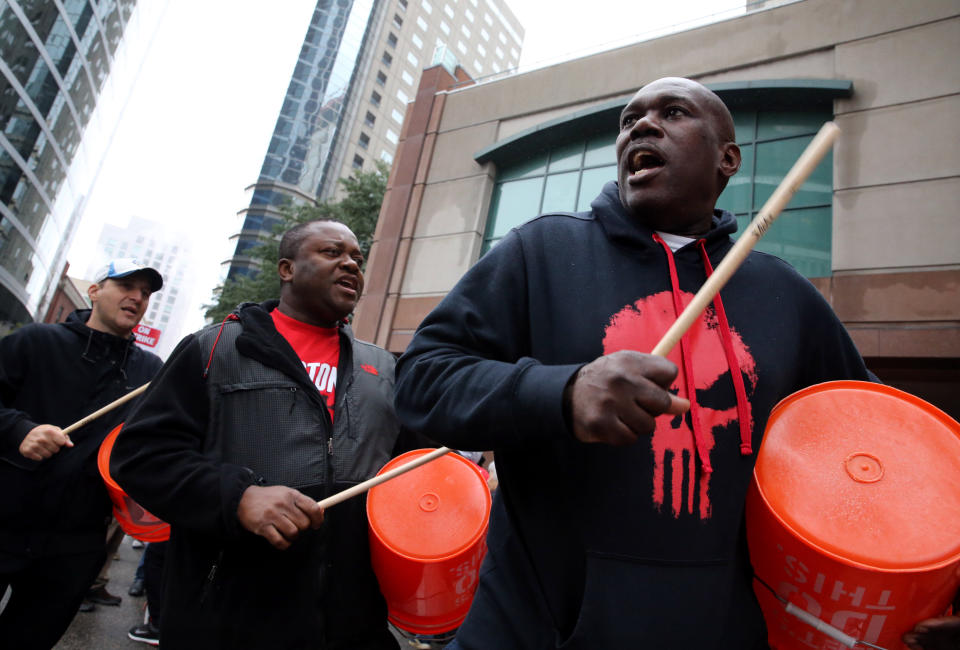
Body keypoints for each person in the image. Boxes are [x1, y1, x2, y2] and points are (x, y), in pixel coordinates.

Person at [393, 77, 958, 648]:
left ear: (727, 159)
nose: (640, 125)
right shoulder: (539, 252)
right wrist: (561, 393)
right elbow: (420, 379)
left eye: (674, 112)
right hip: (534, 630)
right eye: (628, 119)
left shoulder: (785, 295)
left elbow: (888, 450)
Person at [111, 219, 411, 649]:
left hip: (351, 621)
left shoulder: (384, 369)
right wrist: (238, 497)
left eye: (357, 259)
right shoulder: (214, 348)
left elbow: (408, 476)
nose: (350, 264)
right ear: (286, 269)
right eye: (332, 252)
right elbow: (139, 457)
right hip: (228, 619)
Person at [0, 258, 163, 649]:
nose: (137, 298)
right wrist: (20, 429)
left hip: (75, 541)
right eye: (126, 285)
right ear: (95, 291)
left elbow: (156, 444)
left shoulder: (151, 372)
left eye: (145, 292)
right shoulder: (34, 342)